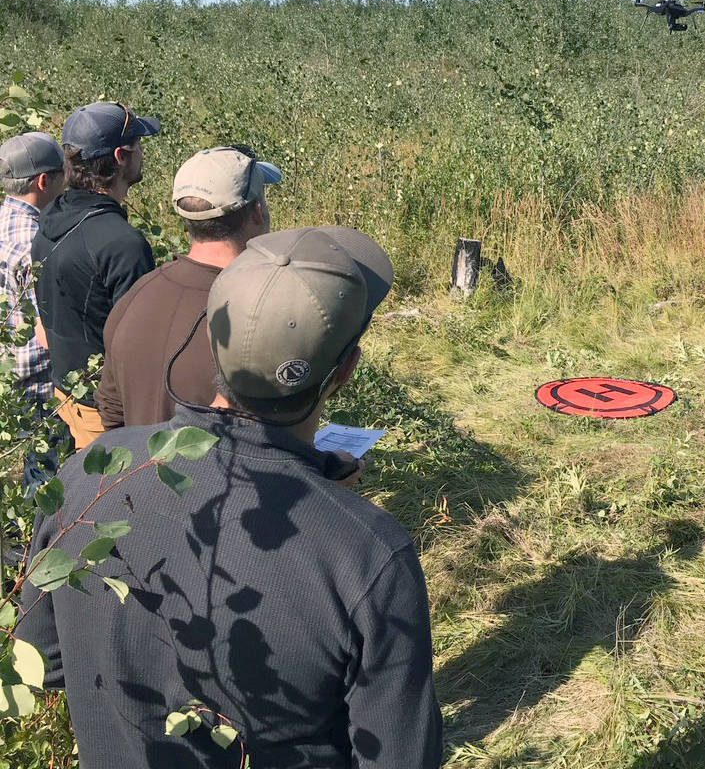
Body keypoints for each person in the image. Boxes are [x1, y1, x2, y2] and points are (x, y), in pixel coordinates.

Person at [18, 226, 443, 769]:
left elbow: (44, 663)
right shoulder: (368, 555)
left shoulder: (91, 478)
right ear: (344, 372)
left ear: (211, 341)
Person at [96, 145, 279, 429]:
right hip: (224, 474)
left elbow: (112, 415)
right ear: (257, 211)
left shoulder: (134, 296)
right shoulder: (258, 313)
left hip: (136, 470)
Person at [31, 101, 160, 450]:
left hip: (68, 389)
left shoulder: (50, 217)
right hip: (106, 413)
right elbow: (140, 348)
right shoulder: (121, 244)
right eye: (138, 144)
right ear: (121, 156)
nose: (142, 152)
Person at [0, 132, 66, 491]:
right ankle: (39, 544)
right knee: (46, 474)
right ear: (44, 181)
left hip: (9, 366)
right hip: (38, 375)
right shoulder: (36, 242)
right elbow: (47, 322)